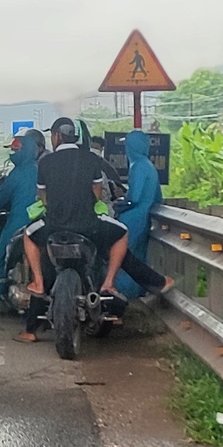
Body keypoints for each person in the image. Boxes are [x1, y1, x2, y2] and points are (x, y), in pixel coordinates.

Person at [16, 117, 170, 343]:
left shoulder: (46, 163)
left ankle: (38, 282)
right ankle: (109, 283)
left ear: (57, 136)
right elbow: (97, 191)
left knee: (28, 236)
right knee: (121, 234)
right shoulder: (90, 159)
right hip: (89, 226)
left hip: (54, 227)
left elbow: (43, 196)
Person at [0, 131, 42, 315]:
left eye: (16, 149)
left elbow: (0, 201)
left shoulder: (16, 174)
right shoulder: (42, 170)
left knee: (1, 258)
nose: (13, 153)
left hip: (18, 222)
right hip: (41, 223)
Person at [112, 129, 163, 299]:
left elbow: (133, 198)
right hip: (145, 217)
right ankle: (136, 291)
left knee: (124, 258)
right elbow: (158, 197)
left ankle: (122, 292)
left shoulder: (138, 166)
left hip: (132, 218)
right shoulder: (149, 166)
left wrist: (118, 206)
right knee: (139, 256)